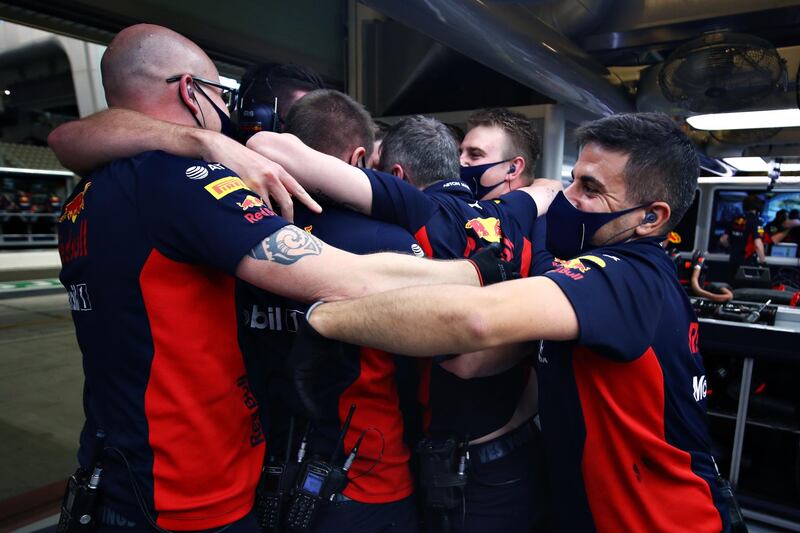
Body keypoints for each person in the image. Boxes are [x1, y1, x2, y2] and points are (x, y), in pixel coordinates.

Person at [52, 24, 506, 532]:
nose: (228, 116)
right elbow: (346, 278)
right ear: (188, 91)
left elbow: (65, 137)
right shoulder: (177, 180)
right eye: (220, 98)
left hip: (117, 471)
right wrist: (475, 271)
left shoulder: (87, 188)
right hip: (188, 493)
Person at [304, 113, 735, 532]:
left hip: (660, 518)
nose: (570, 198)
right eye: (573, 180)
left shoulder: (625, 276)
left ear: (651, 217)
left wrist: (323, 315)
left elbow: (475, 319)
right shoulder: (602, 269)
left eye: (591, 188)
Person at [249, 115, 558, 532]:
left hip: (459, 465)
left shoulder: (419, 206)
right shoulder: (514, 213)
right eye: (463, 151)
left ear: (395, 174)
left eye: (476, 154)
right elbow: (547, 189)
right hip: (518, 448)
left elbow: (270, 148)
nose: (466, 162)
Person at [239, 88, 423, 531]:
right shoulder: (392, 243)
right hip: (367, 478)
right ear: (360, 158)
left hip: (258, 471)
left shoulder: (239, 231)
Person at [719, 194, 767, 282]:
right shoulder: (757, 222)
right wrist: (763, 261)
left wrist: (731, 248)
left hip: (733, 259)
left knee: (732, 286)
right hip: (747, 262)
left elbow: (723, 240)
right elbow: (758, 243)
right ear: (758, 207)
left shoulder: (735, 219)